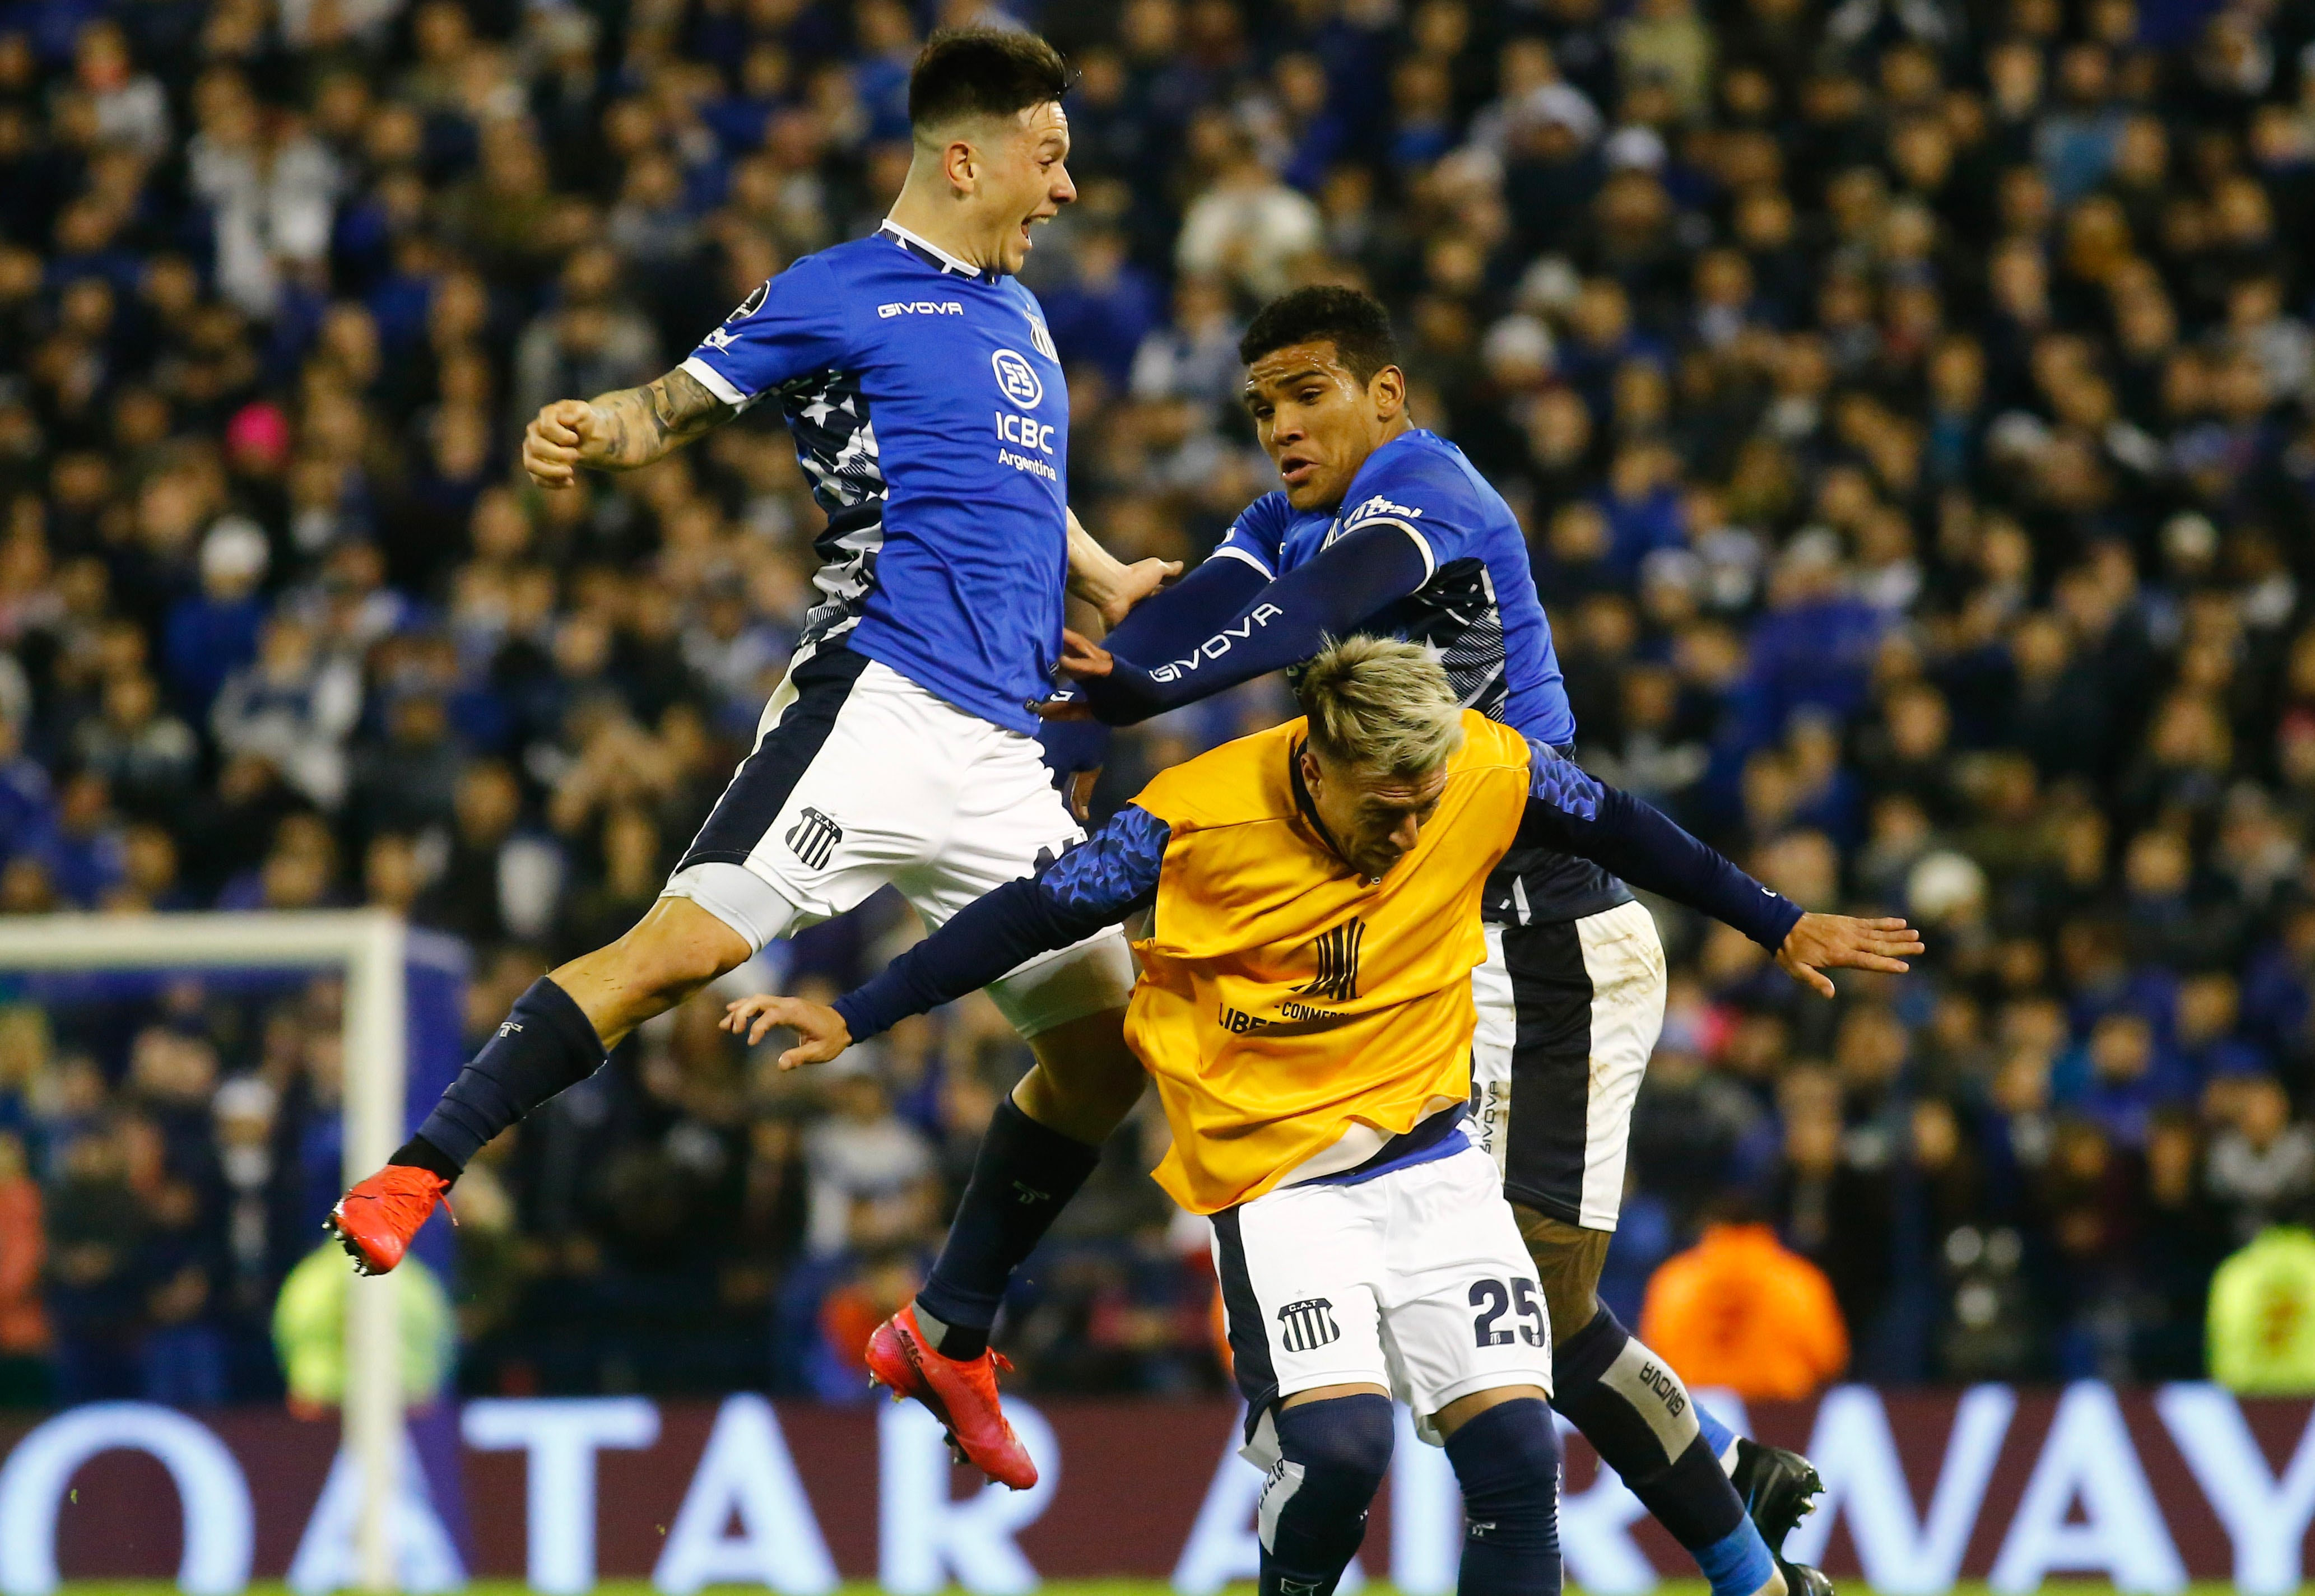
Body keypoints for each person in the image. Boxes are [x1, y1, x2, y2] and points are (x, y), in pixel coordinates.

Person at [325, 27, 1177, 1492]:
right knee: (679, 950)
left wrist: (1099, 576)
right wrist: (593, 425)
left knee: (1104, 1057)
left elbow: (1018, 485)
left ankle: (950, 1330)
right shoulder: (835, 291)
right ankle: (417, 1168)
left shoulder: (1019, 321)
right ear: (964, 156)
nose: (1071, 187)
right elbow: (673, 407)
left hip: (1001, 750)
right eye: (1049, 156)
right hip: (879, 698)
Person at [897, 285, 1847, 1591]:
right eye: (1261, 409)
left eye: (1306, 396)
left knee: (1525, 1319)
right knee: (1466, 1305)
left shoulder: (1424, 489)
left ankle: (1741, 1538)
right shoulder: (1277, 523)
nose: (1280, 428)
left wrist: (1146, 693)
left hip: (1546, 938)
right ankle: (1723, 1505)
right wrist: (1073, 726)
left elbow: (1302, 617)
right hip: (1435, 939)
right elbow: (1188, 616)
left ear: (1382, 396)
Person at [728, 638, 1921, 1596]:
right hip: (1279, 1185)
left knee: (1514, 1457)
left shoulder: (1487, 766)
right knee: (1342, 1450)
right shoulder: (1188, 819)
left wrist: (1777, 921)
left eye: (1425, 806)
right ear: (1320, 757)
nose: (1410, 831)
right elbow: (1027, 915)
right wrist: (860, 1011)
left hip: (1434, 1158)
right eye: (1388, 807)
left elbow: (1620, 823)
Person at [1637, 1202, 1850, 1400]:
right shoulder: (1798, 1281)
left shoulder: (1674, 1280)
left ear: (1708, 1226)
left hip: (1694, 1414)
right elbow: (1829, 1358)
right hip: (1779, 1417)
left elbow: (1653, 1352)